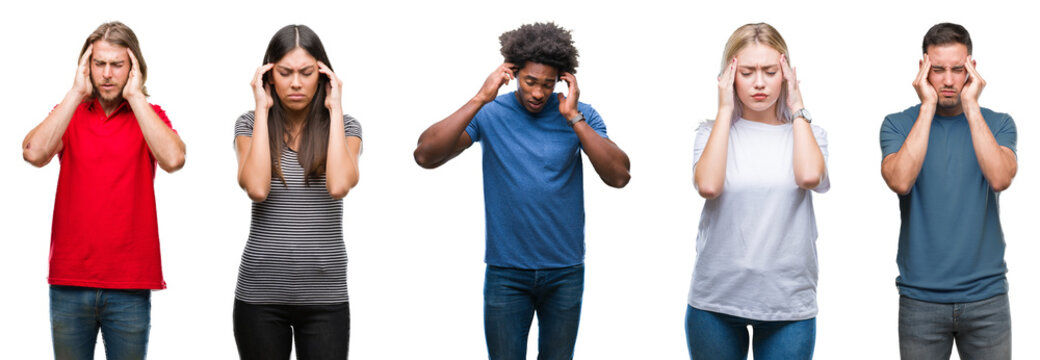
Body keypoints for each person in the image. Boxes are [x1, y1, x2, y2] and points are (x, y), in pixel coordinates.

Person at [413, 22, 630, 360]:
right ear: (513, 74)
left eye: (547, 84)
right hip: (506, 272)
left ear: (561, 79)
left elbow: (619, 175)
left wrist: (573, 117)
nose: (538, 93)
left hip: (564, 271)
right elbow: (426, 155)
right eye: (530, 82)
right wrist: (480, 97)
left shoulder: (580, 117)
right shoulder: (490, 113)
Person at [21, 21, 185, 360]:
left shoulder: (149, 116)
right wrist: (75, 93)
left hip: (130, 285)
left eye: (117, 64)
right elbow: (34, 153)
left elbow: (173, 159)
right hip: (70, 282)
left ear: (133, 68)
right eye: (99, 64)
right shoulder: (70, 115)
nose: (107, 73)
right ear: (87, 67)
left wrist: (136, 97)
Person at [687, 23, 828, 360]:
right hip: (716, 301)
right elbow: (708, 185)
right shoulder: (710, 133)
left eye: (770, 71)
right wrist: (724, 111)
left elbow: (809, 176)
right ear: (730, 76)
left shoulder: (808, 131)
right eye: (747, 72)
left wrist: (797, 108)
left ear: (786, 75)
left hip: (788, 304)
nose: (760, 83)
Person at [880, 22, 1016, 360]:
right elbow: (900, 181)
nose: (949, 80)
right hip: (920, 300)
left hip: (987, 298)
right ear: (923, 69)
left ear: (972, 69)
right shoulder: (897, 124)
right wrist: (927, 106)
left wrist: (971, 107)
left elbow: (1000, 178)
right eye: (937, 70)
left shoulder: (999, 124)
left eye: (958, 69)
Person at [232, 24, 362, 360]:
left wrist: (335, 108)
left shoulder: (346, 127)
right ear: (268, 76)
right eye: (285, 72)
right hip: (259, 296)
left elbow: (339, 185)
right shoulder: (249, 124)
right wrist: (262, 108)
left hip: (326, 297)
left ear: (322, 74)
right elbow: (257, 188)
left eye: (306, 72)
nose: (295, 83)